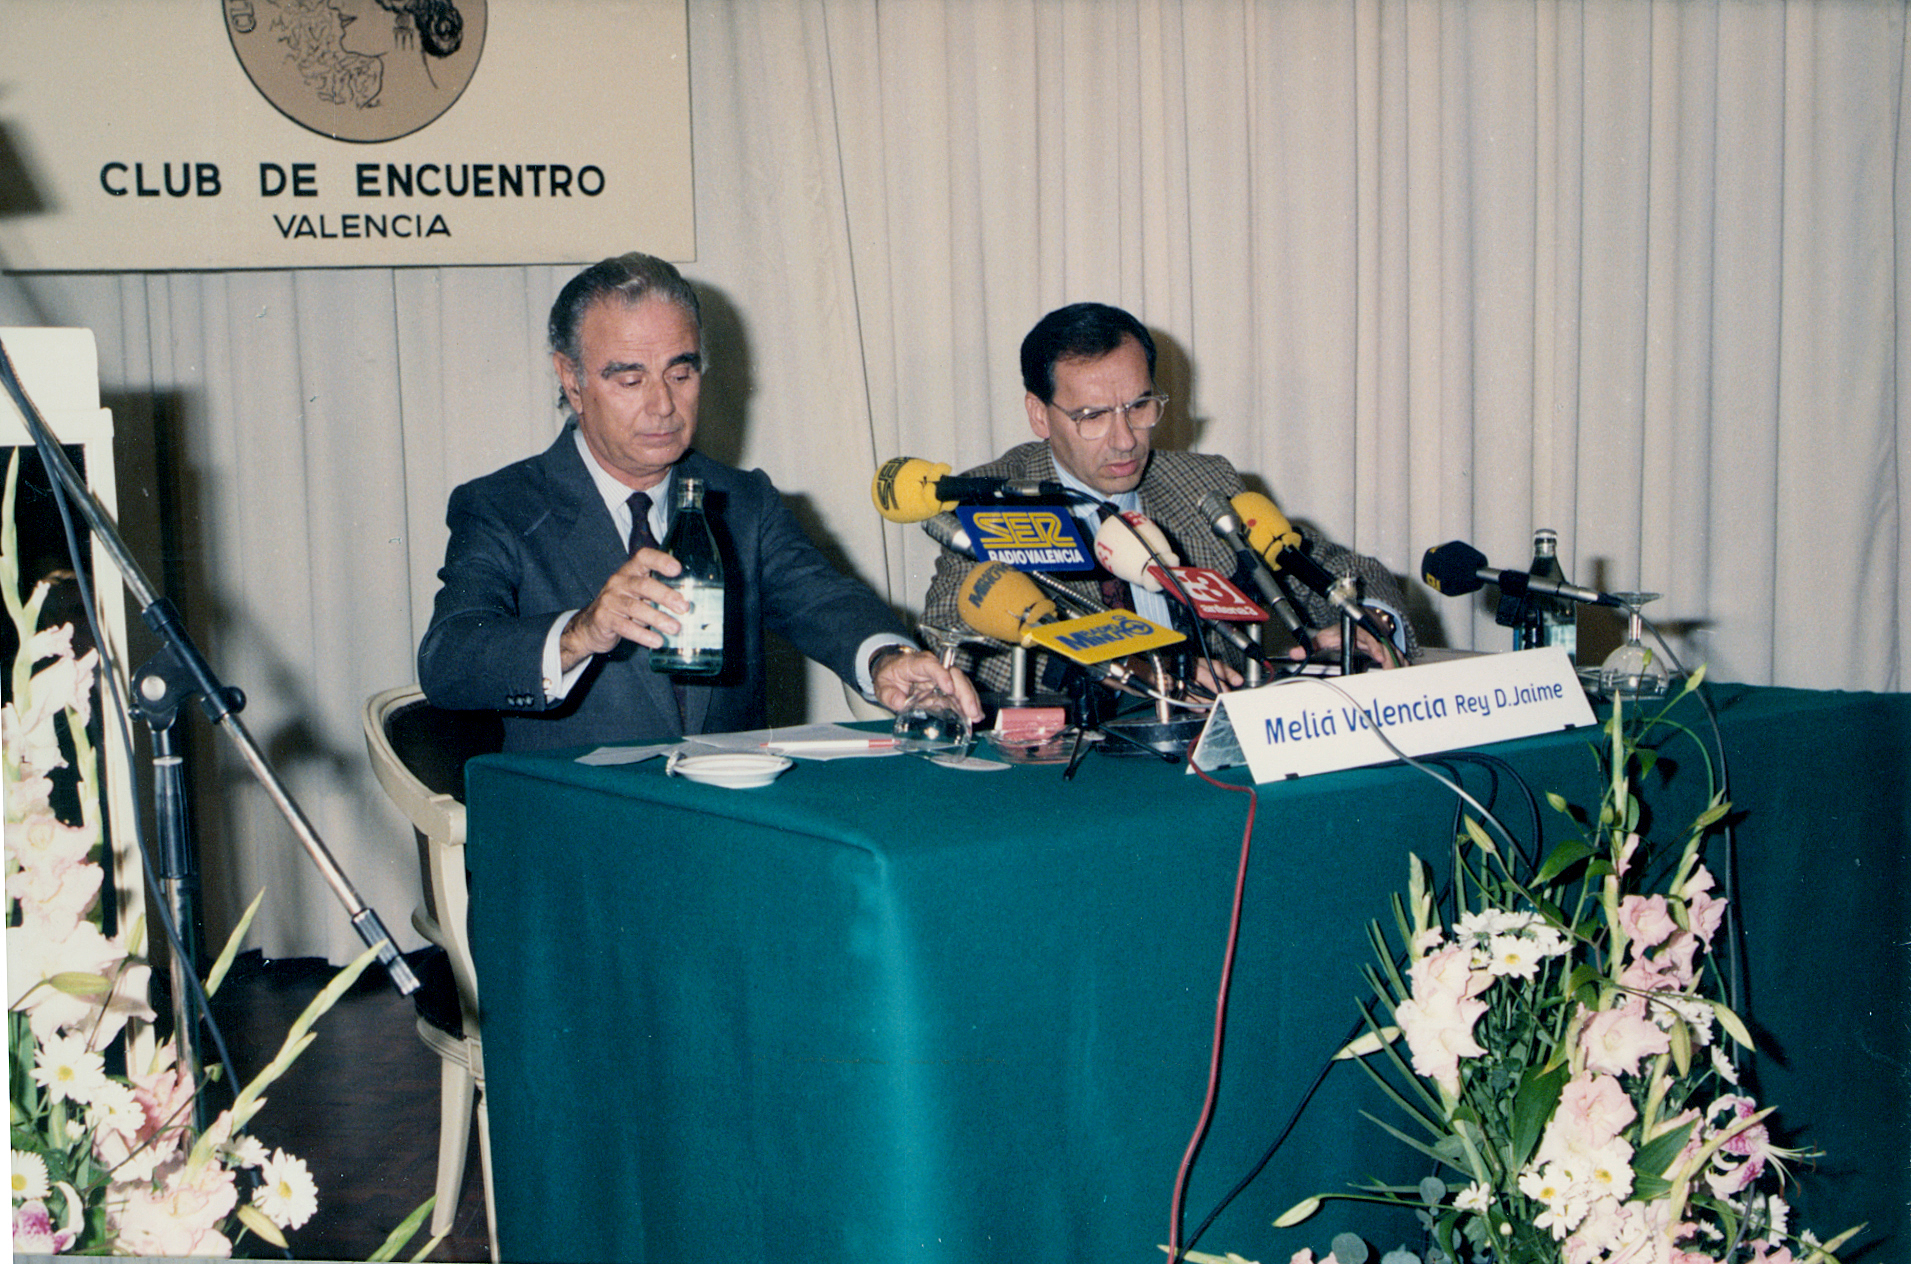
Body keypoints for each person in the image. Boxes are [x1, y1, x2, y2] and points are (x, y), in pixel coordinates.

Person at [419, 252, 980, 751]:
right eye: (630, 380)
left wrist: (886, 659)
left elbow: (826, 602)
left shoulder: (745, 502)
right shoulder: (502, 506)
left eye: (681, 373)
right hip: (582, 821)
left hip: (725, 815)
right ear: (571, 379)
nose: (664, 404)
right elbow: (448, 660)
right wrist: (579, 633)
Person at [921, 301, 1417, 698]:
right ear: (1038, 414)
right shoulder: (991, 499)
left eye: (1139, 406)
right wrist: (1140, 672)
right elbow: (954, 638)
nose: (1125, 440)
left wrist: (1368, 626)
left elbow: (1344, 571)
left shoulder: (1202, 482)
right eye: (1093, 416)